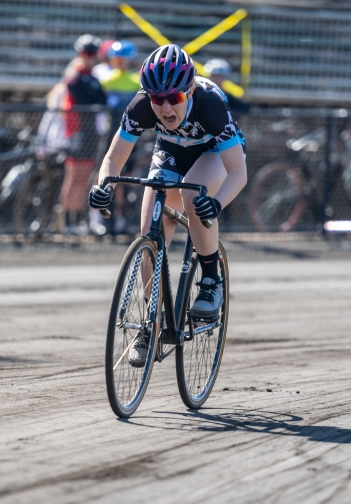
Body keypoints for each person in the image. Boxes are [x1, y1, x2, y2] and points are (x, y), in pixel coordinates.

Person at [89, 44, 247, 366]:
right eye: (156, 99)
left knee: (193, 196)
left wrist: (215, 203)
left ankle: (209, 281)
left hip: (212, 152)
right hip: (171, 150)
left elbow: (239, 172)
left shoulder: (210, 103)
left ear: (189, 90)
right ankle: (151, 322)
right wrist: (103, 186)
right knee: (149, 230)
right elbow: (113, 159)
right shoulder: (141, 106)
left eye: (173, 98)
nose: (164, 107)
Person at [57, 34, 107, 233]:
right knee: (74, 177)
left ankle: (80, 220)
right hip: (77, 132)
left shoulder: (93, 78)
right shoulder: (74, 78)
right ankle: (68, 222)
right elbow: (85, 101)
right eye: (87, 53)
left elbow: (101, 100)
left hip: (91, 133)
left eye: (94, 54)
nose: (91, 57)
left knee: (87, 178)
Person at [96, 40, 142, 234]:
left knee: (129, 177)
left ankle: (125, 217)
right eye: (116, 59)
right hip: (109, 135)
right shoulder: (106, 80)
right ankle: (109, 218)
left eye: (122, 59)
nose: (119, 63)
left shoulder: (136, 81)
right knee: (111, 175)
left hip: (132, 137)